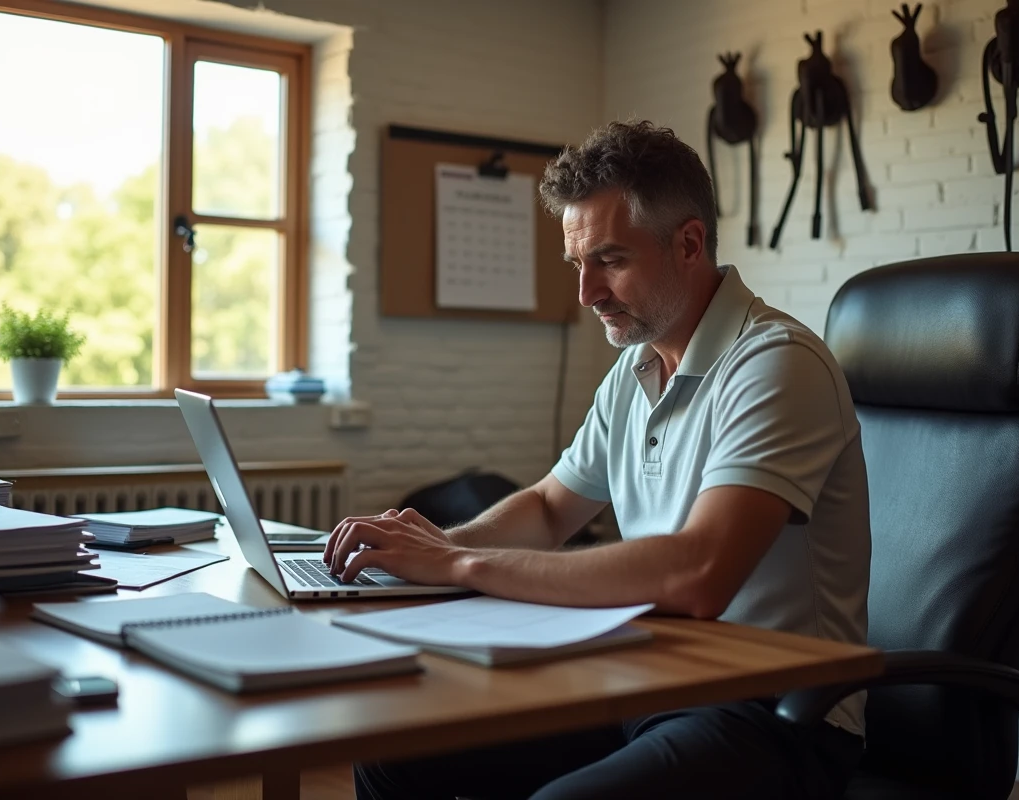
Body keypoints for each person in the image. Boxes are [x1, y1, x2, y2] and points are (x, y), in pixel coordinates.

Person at [323, 120, 871, 800]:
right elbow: (552, 507)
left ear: (689, 244)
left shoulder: (776, 365)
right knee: (394, 747)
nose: (586, 294)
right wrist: (426, 550)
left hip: (778, 715)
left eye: (610, 260)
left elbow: (701, 573)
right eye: (576, 265)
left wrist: (460, 565)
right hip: (648, 678)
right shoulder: (635, 367)